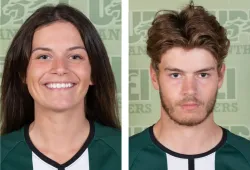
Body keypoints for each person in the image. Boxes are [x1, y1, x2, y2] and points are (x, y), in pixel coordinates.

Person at [129, 2, 250, 170]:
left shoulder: (246, 157)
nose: (190, 90)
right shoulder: (123, 158)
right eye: (176, 75)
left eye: (202, 75)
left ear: (220, 76)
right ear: (154, 76)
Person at [0, 3, 121, 170]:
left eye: (75, 56)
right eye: (43, 56)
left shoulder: (128, 154)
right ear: (23, 73)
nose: (60, 68)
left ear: (93, 72)